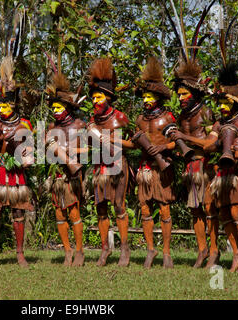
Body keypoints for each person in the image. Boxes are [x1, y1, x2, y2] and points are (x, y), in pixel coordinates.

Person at [0, 55, 34, 268]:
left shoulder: (25, 124)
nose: (1, 109)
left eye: (5, 105)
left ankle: (20, 253)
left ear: (14, 104)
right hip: (1, 169)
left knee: (18, 210)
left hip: (17, 171)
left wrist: (26, 158)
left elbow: (29, 149)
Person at [169, 58, 220, 268]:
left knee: (209, 208)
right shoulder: (183, 116)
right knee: (195, 210)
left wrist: (185, 138)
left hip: (204, 167)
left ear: (195, 93)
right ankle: (202, 250)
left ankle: (215, 250)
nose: (180, 97)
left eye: (184, 94)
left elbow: (211, 145)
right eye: (179, 94)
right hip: (189, 168)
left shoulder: (206, 113)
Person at [204, 63, 238, 272]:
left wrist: (233, 151)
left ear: (235, 102)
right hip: (223, 172)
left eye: (226, 102)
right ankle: (235, 255)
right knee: (224, 214)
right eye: (221, 103)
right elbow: (208, 144)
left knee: (236, 212)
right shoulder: (218, 123)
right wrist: (218, 145)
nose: (222, 107)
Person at [86, 57, 132, 267]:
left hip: (117, 164)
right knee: (101, 208)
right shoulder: (92, 120)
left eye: (99, 97)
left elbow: (134, 144)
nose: (96, 101)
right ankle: (105, 249)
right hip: (99, 165)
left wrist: (112, 139)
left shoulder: (120, 118)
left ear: (109, 97)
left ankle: (124, 249)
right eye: (94, 98)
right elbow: (88, 145)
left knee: (119, 206)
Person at [132, 57, 176, 268]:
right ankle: (151, 249)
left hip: (162, 167)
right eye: (144, 96)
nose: (146, 100)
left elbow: (176, 143)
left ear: (158, 97)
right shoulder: (140, 119)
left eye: (150, 96)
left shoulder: (167, 117)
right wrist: (115, 141)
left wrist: (163, 147)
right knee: (145, 209)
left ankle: (167, 252)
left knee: (164, 208)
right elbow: (134, 144)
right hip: (144, 168)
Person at [44, 71, 86, 266]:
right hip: (57, 177)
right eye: (53, 108)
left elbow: (88, 150)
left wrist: (69, 149)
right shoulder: (51, 126)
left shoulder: (79, 125)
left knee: (73, 214)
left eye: (59, 107)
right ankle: (67, 251)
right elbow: (44, 154)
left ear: (68, 107)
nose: (55, 111)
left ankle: (79, 251)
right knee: (59, 214)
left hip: (72, 176)